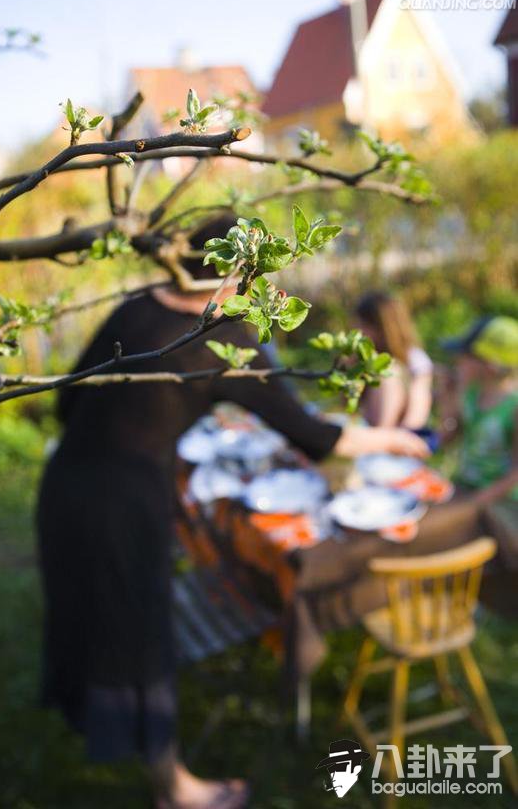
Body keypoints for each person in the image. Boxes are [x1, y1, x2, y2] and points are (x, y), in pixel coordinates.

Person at [37, 217, 428, 809]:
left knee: (86, 610)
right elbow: (314, 436)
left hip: (63, 486)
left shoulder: (138, 304)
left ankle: (85, 716)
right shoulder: (226, 338)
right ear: (241, 272)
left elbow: (68, 399)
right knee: (142, 633)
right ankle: (176, 790)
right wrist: (392, 442)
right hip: (124, 505)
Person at [440, 315, 518, 504]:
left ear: (490, 365)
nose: (457, 361)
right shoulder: (472, 393)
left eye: (466, 357)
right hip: (465, 488)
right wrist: (447, 395)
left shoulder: (513, 407)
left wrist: (474, 503)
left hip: (501, 503)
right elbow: (446, 438)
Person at [355, 291, 433, 429]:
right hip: (371, 432)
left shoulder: (415, 360)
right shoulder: (364, 357)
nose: (358, 332)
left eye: (363, 326)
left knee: (389, 374)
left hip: (398, 436)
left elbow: (416, 416)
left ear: (382, 327)